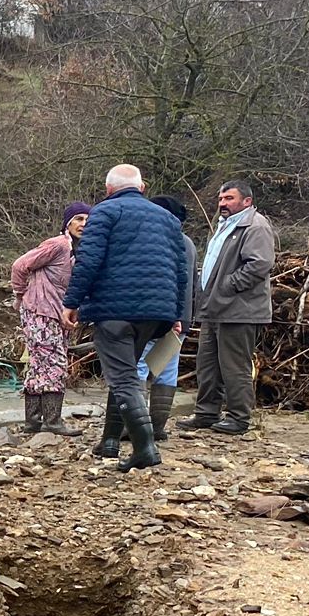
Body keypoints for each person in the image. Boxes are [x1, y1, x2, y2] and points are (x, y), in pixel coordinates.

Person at [61, 164, 188, 470]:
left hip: (114, 309)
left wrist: (71, 301)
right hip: (156, 311)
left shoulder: (105, 213)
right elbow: (181, 272)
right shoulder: (169, 219)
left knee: (123, 378)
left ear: (108, 190)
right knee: (125, 372)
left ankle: (145, 448)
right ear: (142, 187)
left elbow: (88, 262)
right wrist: (176, 313)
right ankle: (109, 441)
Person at [183, 177, 277, 436]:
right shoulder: (225, 225)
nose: (223, 203)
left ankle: (239, 417)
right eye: (221, 199)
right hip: (215, 308)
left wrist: (226, 286)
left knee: (234, 366)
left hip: (239, 310)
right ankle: (206, 413)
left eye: (229, 199)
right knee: (207, 363)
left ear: (247, 201)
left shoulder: (255, 226)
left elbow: (259, 264)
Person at [10, 200, 93, 434]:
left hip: (59, 314)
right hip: (40, 311)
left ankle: (33, 421)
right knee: (55, 363)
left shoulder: (82, 250)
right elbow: (20, 265)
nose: (84, 224)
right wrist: (19, 294)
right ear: (67, 223)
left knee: (39, 365)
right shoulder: (57, 245)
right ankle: (53, 421)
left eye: (88, 220)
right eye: (79, 219)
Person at [137, 195, 200, 441]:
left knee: (139, 366)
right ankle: (158, 427)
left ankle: (135, 426)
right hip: (181, 319)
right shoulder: (189, 243)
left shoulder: (156, 241)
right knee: (166, 370)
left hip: (155, 316)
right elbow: (194, 286)